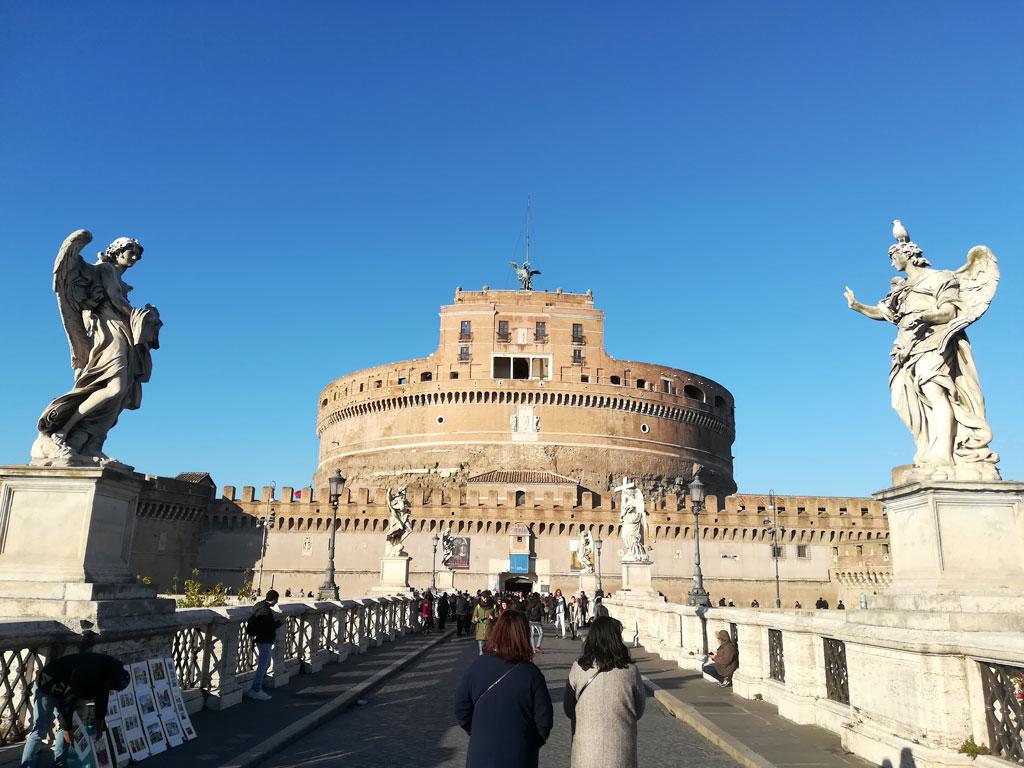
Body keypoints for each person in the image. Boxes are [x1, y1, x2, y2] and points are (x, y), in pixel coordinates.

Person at [455, 611, 553, 768]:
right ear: (524, 636)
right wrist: (528, 743)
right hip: (520, 756)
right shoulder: (532, 674)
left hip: (481, 754)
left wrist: (478, 732)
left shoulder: (477, 666)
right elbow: (545, 719)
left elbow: (461, 709)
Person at [21, 633, 131, 768]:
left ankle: (60, 764)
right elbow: (68, 702)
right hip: (49, 684)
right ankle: (26, 766)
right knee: (41, 729)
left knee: (65, 728)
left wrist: (100, 721)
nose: (109, 689)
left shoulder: (109, 673)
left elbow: (103, 696)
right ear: (109, 681)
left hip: (68, 686)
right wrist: (67, 729)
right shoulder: (89, 673)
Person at [563, 616, 645, 768]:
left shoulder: (579, 668)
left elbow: (568, 709)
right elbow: (639, 710)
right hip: (621, 752)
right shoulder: (631, 671)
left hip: (586, 753)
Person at [246, 589, 282, 700]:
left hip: (261, 640)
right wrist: (279, 623)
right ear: (275, 599)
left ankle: (256, 687)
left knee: (265, 664)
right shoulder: (265, 611)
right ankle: (256, 689)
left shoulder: (259, 606)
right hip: (265, 640)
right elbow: (267, 627)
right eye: (277, 599)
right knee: (263, 665)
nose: (277, 602)